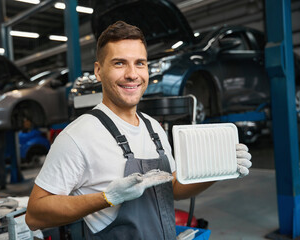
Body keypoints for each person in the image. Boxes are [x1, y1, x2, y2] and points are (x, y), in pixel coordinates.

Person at [25, 21, 252, 239]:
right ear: (98, 70)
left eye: (140, 63)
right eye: (119, 63)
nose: (132, 74)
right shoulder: (77, 136)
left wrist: (220, 168)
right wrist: (107, 197)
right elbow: (35, 215)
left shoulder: (153, 127)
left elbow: (173, 188)